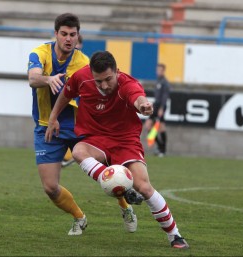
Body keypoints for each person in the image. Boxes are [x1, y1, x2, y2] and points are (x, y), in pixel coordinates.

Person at [45, 51, 189, 249]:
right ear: (91, 74)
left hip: (125, 141)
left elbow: (137, 98)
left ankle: (175, 235)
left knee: (145, 187)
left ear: (116, 71)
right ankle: (121, 187)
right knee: (78, 151)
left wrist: (144, 106)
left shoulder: (128, 84)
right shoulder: (81, 77)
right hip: (97, 139)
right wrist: (53, 118)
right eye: (98, 81)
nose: (104, 85)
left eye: (108, 79)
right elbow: (66, 94)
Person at [27, 13, 90, 236]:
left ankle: (125, 205)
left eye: (72, 35)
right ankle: (79, 217)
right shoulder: (40, 53)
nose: (68, 39)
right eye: (64, 34)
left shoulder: (84, 62)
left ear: (77, 36)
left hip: (77, 126)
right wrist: (49, 79)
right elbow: (33, 79)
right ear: (56, 34)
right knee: (50, 187)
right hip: (46, 126)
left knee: (106, 169)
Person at [61, 33, 84, 168]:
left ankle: (70, 156)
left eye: (79, 43)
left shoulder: (83, 62)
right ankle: (67, 156)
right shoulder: (65, 61)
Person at [144, 63, 170, 157]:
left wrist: (162, 108)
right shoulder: (158, 81)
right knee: (149, 126)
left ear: (163, 71)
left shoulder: (165, 82)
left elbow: (165, 97)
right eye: (157, 69)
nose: (158, 71)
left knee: (161, 127)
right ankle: (160, 148)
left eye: (160, 70)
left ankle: (162, 149)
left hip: (160, 106)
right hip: (156, 104)